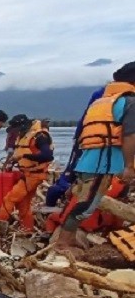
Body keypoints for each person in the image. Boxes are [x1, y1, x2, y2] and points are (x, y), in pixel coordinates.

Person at [55, 61, 135, 251]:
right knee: (87, 206)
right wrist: (129, 166)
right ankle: (63, 243)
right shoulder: (130, 101)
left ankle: (70, 238)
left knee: (84, 201)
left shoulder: (103, 101)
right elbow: (130, 135)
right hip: (105, 163)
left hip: (87, 160)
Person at [0, 114, 54, 232]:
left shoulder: (40, 137)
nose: (15, 132)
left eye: (16, 129)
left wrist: (24, 155)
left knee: (10, 199)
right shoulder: (25, 136)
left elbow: (48, 156)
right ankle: (27, 229)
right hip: (27, 174)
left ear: (22, 126)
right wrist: (12, 164)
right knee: (23, 204)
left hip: (34, 176)